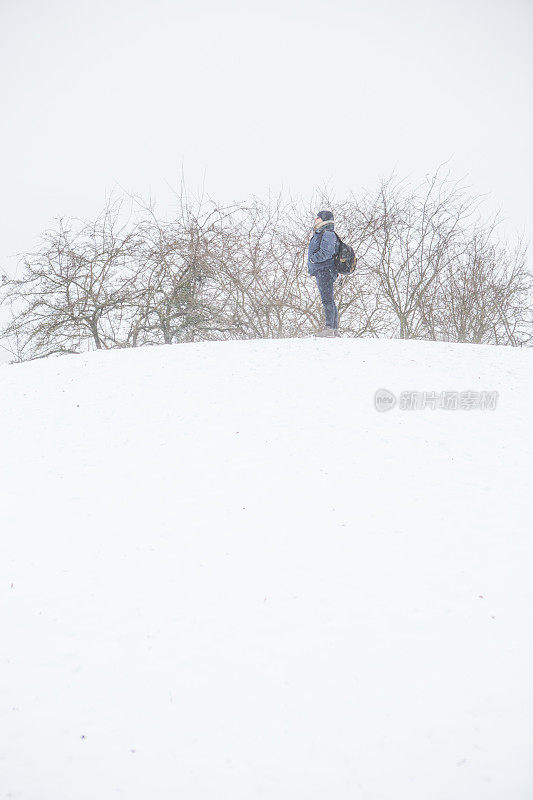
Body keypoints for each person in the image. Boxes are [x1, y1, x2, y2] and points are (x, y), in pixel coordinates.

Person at [307, 210, 339, 337]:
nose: (315, 219)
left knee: (327, 300)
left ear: (324, 219)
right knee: (328, 299)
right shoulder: (321, 232)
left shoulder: (328, 233)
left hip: (325, 270)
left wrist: (313, 258)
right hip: (322, 270)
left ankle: (330, 328)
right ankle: (334, 329)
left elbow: (327, 252)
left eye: (318, 217)